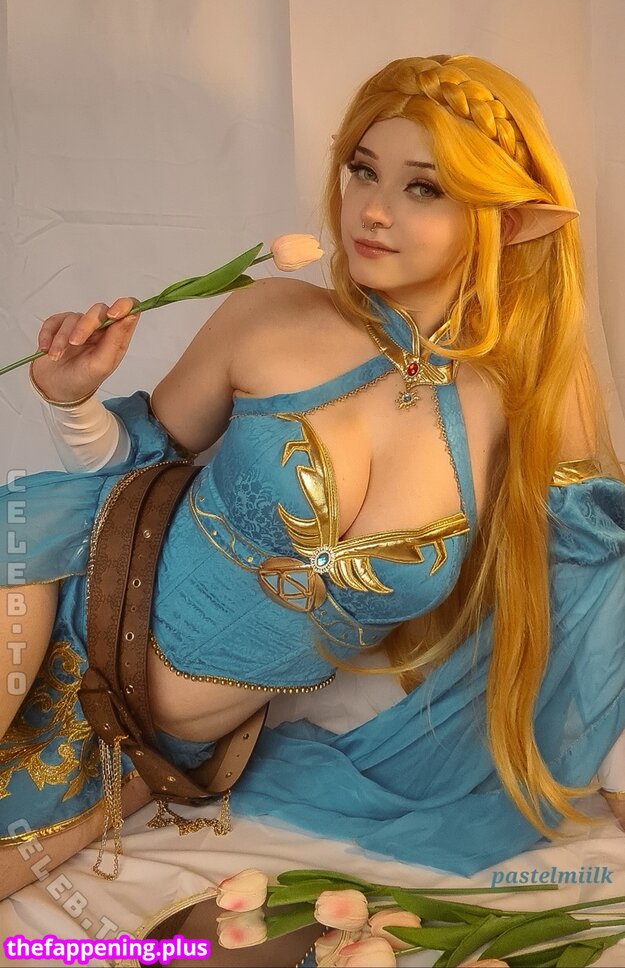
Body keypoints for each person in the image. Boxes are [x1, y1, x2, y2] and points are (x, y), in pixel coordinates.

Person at [1, 54, 624, 899]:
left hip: (157, 753)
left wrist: (615, 765)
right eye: (362, 170)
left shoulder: (522, 401)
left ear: (508, 222)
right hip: (52, 601)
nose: (371, 209)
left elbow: (591, 580)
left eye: (423, 187)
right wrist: (72, 402)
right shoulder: (269, 315)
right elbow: (137, 466)